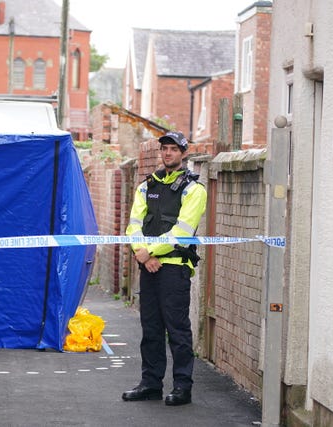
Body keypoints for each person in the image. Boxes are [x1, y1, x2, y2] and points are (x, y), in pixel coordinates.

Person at [122, 131, 207, 406]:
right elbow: (134, 224)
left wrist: (151, 251)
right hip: (149, 266)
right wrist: (142, 255)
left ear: (183, 153)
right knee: (151, 329)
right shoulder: (147, 186)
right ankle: (150, 384)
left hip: (174, 269)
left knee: (178, 331)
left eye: (173, 149)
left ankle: (183, 387)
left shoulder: (194, 189)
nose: (168, 153)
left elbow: (182, 231)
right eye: (165, 149)